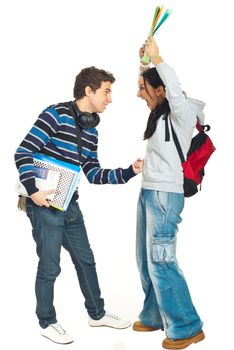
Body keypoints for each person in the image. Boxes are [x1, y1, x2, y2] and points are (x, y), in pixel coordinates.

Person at [14, 66, 143, 344]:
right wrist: (33, 192)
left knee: (86, 261)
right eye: (106, 92)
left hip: (69, 205)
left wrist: (130, 170)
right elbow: (23, 152)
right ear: (89, 90)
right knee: (50, 267)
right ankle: (46, 322)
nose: (110, 99)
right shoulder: (55, 114)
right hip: (44, 205)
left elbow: (94, 174)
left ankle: (97, 314)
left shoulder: (91, 130)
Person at [132, 36, 205, 350]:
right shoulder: (160, 113)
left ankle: (188, 326)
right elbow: (158, 83)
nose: (139, 94)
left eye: (144, 89)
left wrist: (159, 58)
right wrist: (146, 64)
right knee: (144, 258)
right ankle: (154, 314)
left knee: (162, 261)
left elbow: (172, 85)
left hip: (164, 197)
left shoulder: (180, 112)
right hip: (149, 191)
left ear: (161, 91)